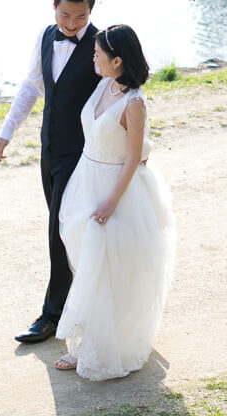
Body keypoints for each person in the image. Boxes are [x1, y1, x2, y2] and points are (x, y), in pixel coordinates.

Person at [53, 24, 176, 378]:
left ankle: (95, 347)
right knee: (85, 262)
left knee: (106, 266)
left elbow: (133, 158)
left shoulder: (134, 103)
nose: (93, 57)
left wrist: (110, 203)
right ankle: (89, 339)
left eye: (98, 54)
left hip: (114, 190)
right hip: (85, 179)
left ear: (118, 60)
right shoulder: (104, 83)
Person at [0, 0, 101, 344]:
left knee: (59, 231)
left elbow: (121, 96)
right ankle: (81, 306)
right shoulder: (44, 37)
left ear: (91, 12)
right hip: (49, 148)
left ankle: (52, 316)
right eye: (66, 16)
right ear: (54, 7)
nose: (72, 24)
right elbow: (31, 86)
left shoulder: (102, 45)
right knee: (69, 232)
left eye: (80, 18)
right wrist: (7, 131)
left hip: (84, 154)